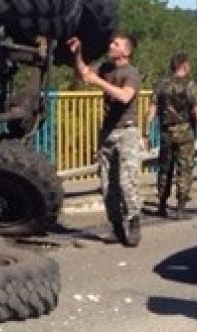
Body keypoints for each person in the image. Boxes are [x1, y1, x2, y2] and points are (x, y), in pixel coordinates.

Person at [68, 32, 143, 246]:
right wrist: (78, 54)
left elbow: (125, 96)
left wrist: (99, 82)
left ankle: (134, 222)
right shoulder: (106, 68)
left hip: (127, 132)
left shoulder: (131, 73)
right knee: (107, 184)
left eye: (116, 44)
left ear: (126, 51)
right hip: (108, 132)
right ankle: (117, 227)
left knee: (127, 182)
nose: (111, 45)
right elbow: (84, 75)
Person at [145, 53, 197, 220]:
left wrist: (146, 132)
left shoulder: (162, 84)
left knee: (165, 169)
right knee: (184, 170)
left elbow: (152, 110)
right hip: (185, 133)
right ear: (184, 65)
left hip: (166, 133)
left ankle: (161, 204)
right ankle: (180, 207)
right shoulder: (191, 85)